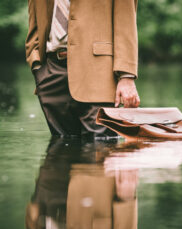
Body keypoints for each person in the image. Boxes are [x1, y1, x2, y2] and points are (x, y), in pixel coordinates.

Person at [25, 0, 140, 137]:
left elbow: (126, 19)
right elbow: (35, 20)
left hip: (100, 73)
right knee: (61, 151)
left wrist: (126, 75)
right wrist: (36, 63)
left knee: (100, 151)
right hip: (51, 74)